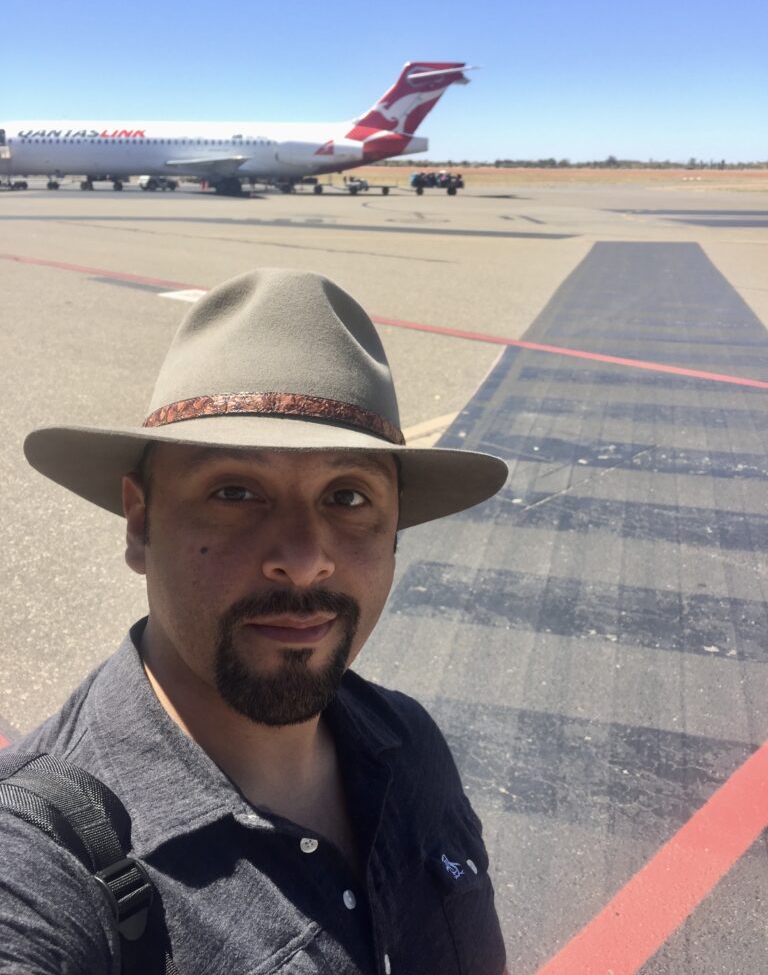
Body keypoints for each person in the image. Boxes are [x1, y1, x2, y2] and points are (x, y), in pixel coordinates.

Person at [0, 268, 509, 974]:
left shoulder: (409, 746)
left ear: (394, 531)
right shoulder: (41, 857)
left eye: (349, 497)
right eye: (235, 492)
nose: (304, 561)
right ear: (141, 524)